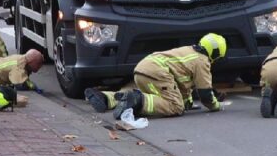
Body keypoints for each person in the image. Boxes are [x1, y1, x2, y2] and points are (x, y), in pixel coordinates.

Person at [86, 34, 226, 119]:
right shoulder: (202, 61)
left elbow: (180, 86)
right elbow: (205, 94)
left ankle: (105, 98)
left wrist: (188, 102)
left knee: (150, 95)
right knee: (175, 106)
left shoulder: (188, 51)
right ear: (215, 53)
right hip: (158, 71)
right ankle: (138, 101)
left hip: (143, 68)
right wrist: (216, 105)